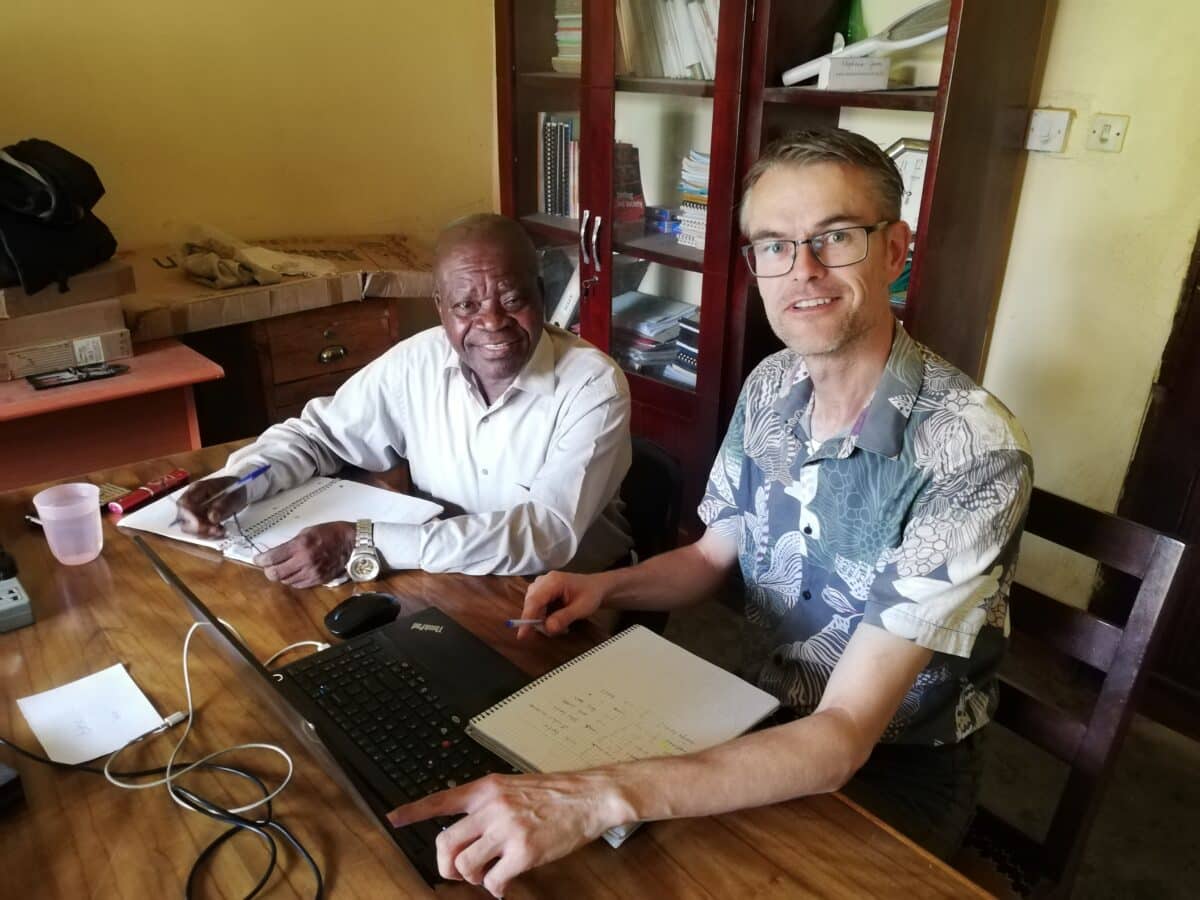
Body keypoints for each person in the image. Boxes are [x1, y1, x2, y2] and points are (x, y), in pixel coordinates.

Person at [386, 128, 1033, 897]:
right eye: (775, 245)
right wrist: (604, 587)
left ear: (895, 250)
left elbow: (841, 739)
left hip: (889, 767)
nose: (804, 270)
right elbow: (710, 555)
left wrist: (597, 796)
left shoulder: (970, 450)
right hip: (752, 709)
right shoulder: (772, 385)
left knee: (609, 844)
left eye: (835, 237)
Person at [176, 214, 633, 585]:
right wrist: (240, 481)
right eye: (466, 306)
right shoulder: (417, 363)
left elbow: (546, 533)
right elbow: (317, 437)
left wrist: (364, 543)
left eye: (513, 300)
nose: (492, 322)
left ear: (543, 295)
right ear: (440, 308)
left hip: (571, 596)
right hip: (445, 578)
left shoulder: (593, 385)